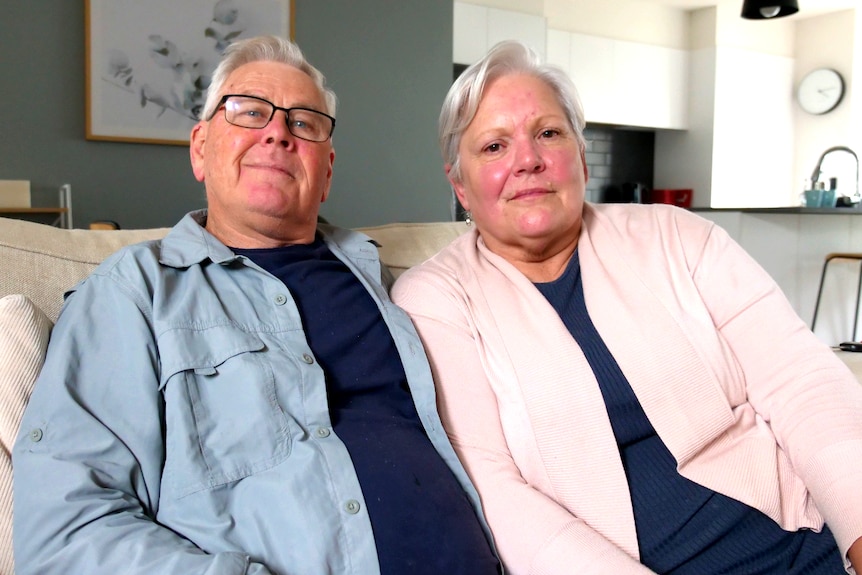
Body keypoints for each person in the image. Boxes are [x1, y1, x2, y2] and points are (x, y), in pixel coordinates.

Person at [12, 35, 500, 575]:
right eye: (249, 112)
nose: (277, 133)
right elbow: (66, 529)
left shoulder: (390, 283)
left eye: (304, 122)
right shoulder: (134, 293)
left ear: (328, 169)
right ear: (201, 148)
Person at [391, 40, 862, 575]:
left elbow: (801, 379)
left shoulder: (677, 236)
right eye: (494, 147)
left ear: (580, 156)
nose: (528, 160)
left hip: (809, 543)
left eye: (548, 133)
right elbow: (491, 488)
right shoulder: (435, 301)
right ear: (460, 185)